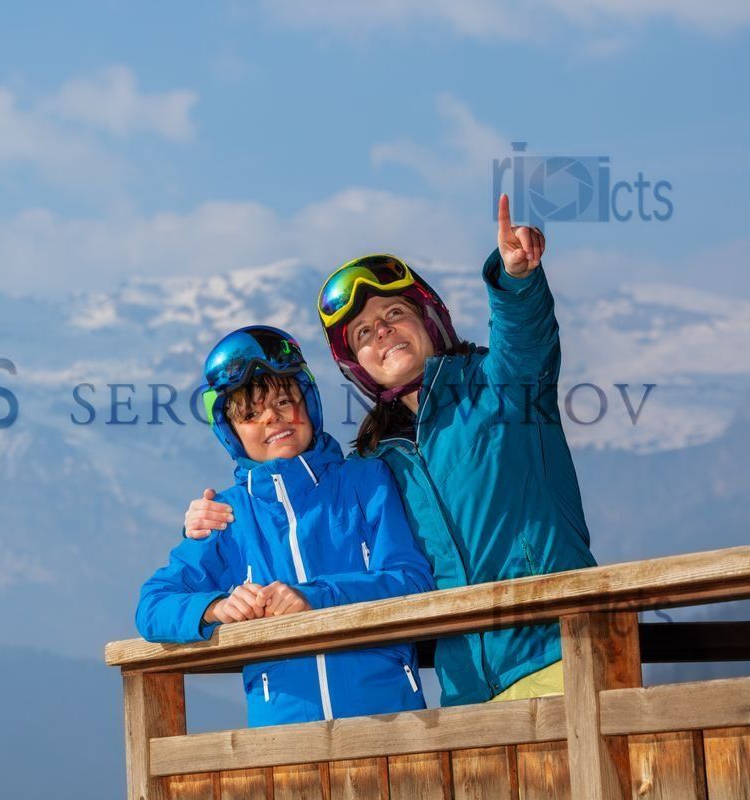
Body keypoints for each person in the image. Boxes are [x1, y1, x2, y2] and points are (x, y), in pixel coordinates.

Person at [182, 196, 597, 706]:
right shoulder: (378, 464)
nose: (382, 331)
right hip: (467, 689)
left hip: (561, 653)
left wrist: (517, 280)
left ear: (429, 321)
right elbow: (309, 504)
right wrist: (208, 517)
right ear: (358, 365)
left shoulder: (503, 390)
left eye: (394, 313)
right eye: (364, 332)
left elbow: (525, 335)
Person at [135, 326, 434, 727]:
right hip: (284, 742)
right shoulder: (228, 516)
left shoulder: (366, 483)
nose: (272, 417)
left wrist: (316, 597)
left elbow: (412, 580)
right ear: (232, 434)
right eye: (250, 414)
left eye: (283, 401)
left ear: (308, 404)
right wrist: (215, 607)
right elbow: (153, 605)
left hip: (391, 722)